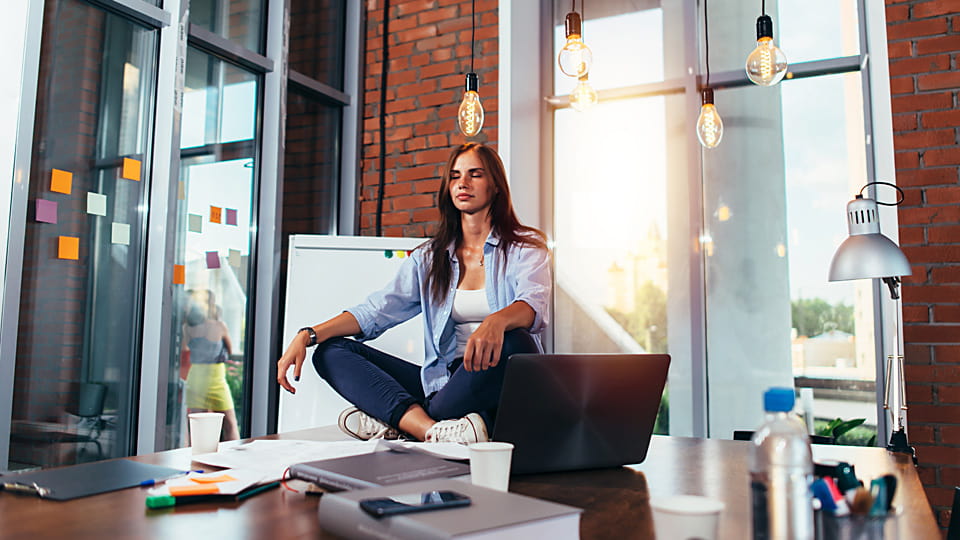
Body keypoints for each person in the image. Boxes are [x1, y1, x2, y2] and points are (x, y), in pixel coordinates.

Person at [277, 143, 551, 444]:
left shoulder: (525, 248)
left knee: (516, 340)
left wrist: (497, 321)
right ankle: (431, 429)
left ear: (496, 186)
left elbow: (532, 305)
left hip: (497, 375)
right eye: (455, 175)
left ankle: (399, 420)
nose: (463, 183)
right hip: (446, 382)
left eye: (476, 174)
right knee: (331, 351)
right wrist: (308, 335)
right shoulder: (429, 258)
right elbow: (375, 311)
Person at [182, 289, 240, 441]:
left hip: (197, 378)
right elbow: (230, 349)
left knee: (197, 426)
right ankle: (233, 459)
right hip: (215, 377)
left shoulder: (187, 328)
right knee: (230, 424)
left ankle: (197, 460)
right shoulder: (220, 326)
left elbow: (185, 350)